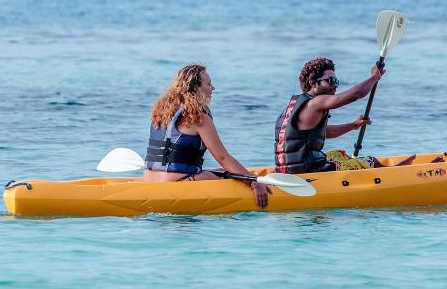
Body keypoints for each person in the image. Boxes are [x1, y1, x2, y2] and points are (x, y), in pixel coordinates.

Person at [144, 64, 270, 208]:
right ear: (196, 87)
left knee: (224, 172)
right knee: (230, 174)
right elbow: (223, 158)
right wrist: (253, 181)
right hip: (178, 183)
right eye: (209, 83)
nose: (213, 88)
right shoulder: (197, 117)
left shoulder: (161, 113)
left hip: (149, 179)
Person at [274, 57, 385, 174]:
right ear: (313, 83)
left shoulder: (293, 106)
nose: (336, 85)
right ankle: (401, 173)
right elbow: (356, 94)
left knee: (337, 155)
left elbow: (325, 132)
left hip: (287, 172)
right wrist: (375, 77)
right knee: (371, 161)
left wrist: (353, 125)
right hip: (306, 173)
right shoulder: (315, 103)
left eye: (336, 82)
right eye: (331, 81)